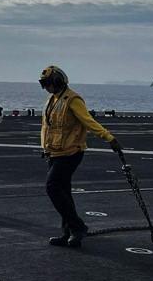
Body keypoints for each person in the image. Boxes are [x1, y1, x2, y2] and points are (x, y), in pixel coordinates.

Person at [39, 65, 121, 248]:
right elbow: (48, 127)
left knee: (52, 187)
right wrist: (44, 148)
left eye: (48, 83)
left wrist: (109, 137)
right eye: (44, 84)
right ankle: (68, 233)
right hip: (54, 153)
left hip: (71, 152)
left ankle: (78, 227)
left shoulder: (72, 99)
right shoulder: (52, 100)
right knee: (64, 193)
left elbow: (88, 121)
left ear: (57, 81)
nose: (46, 87)